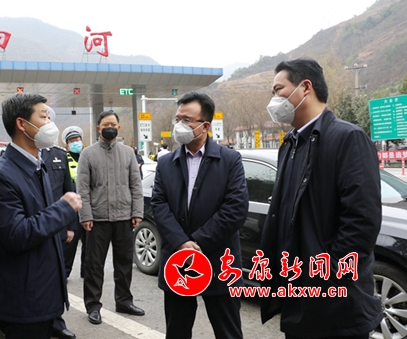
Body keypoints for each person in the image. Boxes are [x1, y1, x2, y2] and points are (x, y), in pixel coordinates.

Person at [260, 58, 382, 339]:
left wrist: (326, 275)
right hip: (298, 297)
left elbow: (362, 222)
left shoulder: (348, 138)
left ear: (305, 87)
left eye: (278, 89)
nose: (273, 99)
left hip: (335, 305)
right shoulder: (289, 144)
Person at [0, 93, 81, 339]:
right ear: (21, 124)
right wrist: (63, 208)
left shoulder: (37, 164)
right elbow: (17, 234)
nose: (50, 123)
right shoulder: (1, 177)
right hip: (24, 303)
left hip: (45, 297)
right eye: (43, 117)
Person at [151, 91, 248, 339]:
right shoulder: (166, 163)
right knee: (177, 330)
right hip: (178, 262)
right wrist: (181, 243)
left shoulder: (229, 160)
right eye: (177, 119)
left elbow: (235, 208)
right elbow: (159, 205)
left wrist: (197, 243)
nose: (179, 125)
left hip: (219, 261)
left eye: (187, 120)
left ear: (205, 126)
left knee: (228, 331)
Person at [77, 110, 144, 325]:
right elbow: (82, 189)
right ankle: (93, 306)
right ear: (98, 128)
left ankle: (124, 301)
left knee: (124, 263)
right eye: (106, 124)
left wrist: (137, 212)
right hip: (97, 219)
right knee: (94, 265)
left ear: (118, 127)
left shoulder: (128, 153)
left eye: (113, 124)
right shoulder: (88, 154)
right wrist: (85, 215)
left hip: (124, 217)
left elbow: (136, 185)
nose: (110, 127)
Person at [40, 110, 77, 339]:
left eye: (49, 120)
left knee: (58, 274)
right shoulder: (25, 157)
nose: (48, 125)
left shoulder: (59, 155)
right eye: (43, 119)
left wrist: (70, 225)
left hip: (59, 226)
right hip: (35, 226)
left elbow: (68, 191)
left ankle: (56, 320)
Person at [61, 125, 86, 279]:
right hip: (73, 208)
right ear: (67, 145)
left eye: (77, 139)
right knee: (70, 243)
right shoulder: (64, 159)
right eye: (72, 141)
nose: (75, 142)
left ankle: (86, 272)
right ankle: (64, 273)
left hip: (87, 206)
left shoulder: (88, 156)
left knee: (89, 244)